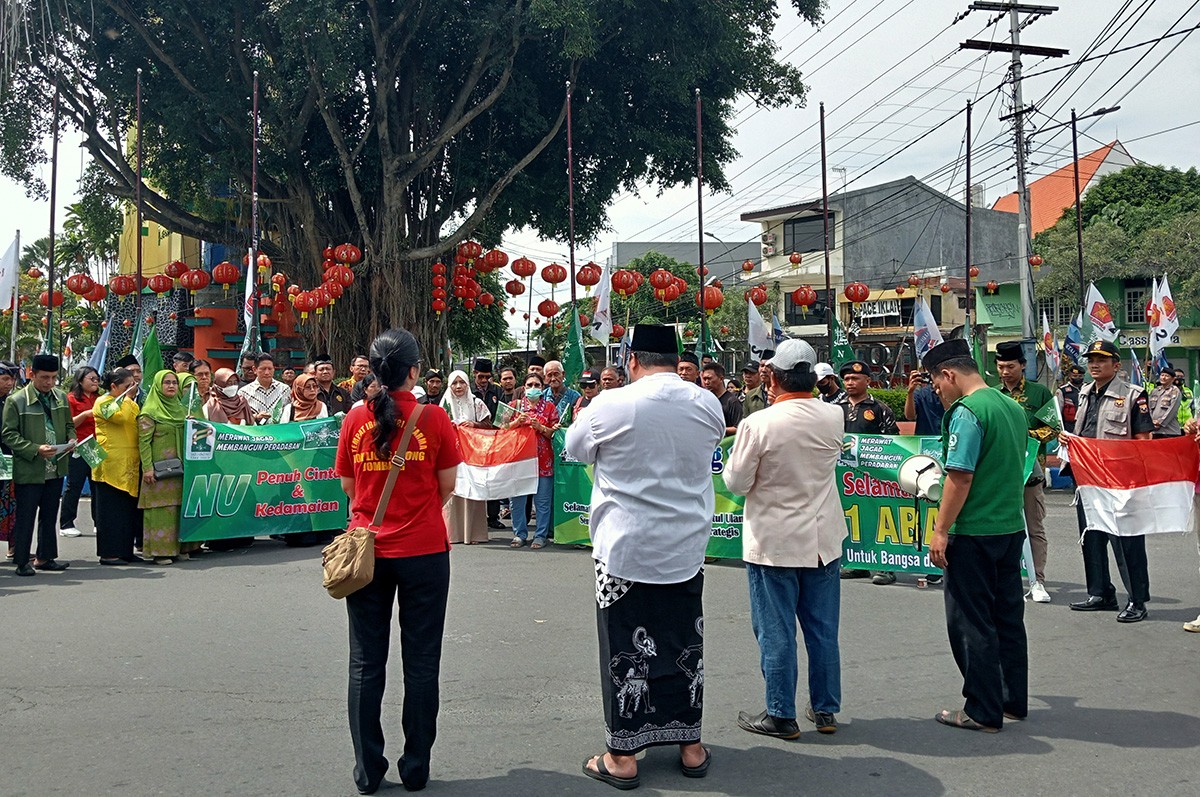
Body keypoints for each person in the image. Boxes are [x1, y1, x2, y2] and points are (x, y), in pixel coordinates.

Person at [565, 324, 724, 790]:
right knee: (683, 645)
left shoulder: (610, 404)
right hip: (685, 549)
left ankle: (623, 756)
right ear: (677, 359)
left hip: (625, 550)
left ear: (632, 359)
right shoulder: (707, 403)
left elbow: (575, 449)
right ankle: (690, 746)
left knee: (623, 647)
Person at [335, 328, 460, 795]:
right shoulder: (435, 418)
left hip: (367, 552)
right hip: (425, 551)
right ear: (413, 371)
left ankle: (368, 771)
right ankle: (416, 767)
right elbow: (447, 486)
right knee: (422, 661)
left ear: (373, 370)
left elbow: (349, 487)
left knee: (365, 663)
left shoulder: (354, 418)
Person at [725, 339, 846, 739]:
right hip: (822, 538)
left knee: (775, 632)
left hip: (774, 542)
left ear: (773, 379)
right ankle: (825, 709)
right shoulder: (833, 416)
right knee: (822, 630)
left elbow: (737, 482)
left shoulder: (758, 423)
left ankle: (781, 713)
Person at [922, 338, 1029, 734]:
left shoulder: (968, 412)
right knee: (1008, 618)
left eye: (937, 384)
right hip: (1009, 527)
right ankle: (1011, 700)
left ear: (949, 374)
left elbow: (960, 476)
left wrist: (940, 530)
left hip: (973, 531)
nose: (938, 393)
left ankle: (983, 710)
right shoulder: (1010, 406)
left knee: (971, 622)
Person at [1064, 340, 1154, 623]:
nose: (1094, 364)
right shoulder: (1084, 393)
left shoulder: (1132, 395)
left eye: (1102, 360)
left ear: (1116, 365)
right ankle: (1100, 592)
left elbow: (1143, 439)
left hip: (1119, 481)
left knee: (1127, 541)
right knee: (1091, 537)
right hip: (1087, 477)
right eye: (1091, 359)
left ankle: (1137, 600)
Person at [2, 353, 76, 575]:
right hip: (30, 468)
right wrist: (35, 449)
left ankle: (46, 557)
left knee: (50, 514)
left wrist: (71, 440)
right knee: (26, 517)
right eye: (44, 377)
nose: (49, 382)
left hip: (55, 467)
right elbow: (9, 435)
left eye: (53, 377)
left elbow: (69, 425)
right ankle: (22, 561)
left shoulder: (61, 397)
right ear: (32, 375)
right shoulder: (17, 400)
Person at [994, 341, 1055, 604]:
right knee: (998, 528)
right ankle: (1002, 579)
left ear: (1023, 365)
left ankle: (1037, 579)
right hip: (998, 476)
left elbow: (1053, 428)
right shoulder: (992, 394)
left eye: (1010, 366)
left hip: (1031, 473)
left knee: (1033, 527)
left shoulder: (1039, 393)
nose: (1005, 372)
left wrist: (1023, 436)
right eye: (1000, 367)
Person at [836, 360, 900, 585]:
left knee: (880, 518)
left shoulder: (880, 409)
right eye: (846, 379)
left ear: (867, 381)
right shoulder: (836, 409)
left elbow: (893, 441)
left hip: (873, 477)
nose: (850, 382)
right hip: (844, 476)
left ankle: (886, 566)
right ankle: (858, 563)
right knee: (852, 518)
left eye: (855, 378)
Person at [138, 370, 196, 565]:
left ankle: (179, 549)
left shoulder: (181, 409)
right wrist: (147, 468)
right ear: (157, 386)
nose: (171, 386)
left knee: (179, 508)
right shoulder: (149, 412)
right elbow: (144, 443)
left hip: (181, 469)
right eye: (167, 382)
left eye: (174, 382)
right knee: (160, 510)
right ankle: (160, 552)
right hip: (159, 470)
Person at [92, 368, 142, 564]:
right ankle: (109, 553)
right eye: (127, 386)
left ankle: (125, 551)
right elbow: (119, 417)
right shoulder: (103, 402)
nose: (132, 388)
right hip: (109, 464)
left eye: (133, 385)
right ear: (113, 386)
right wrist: (128, 398)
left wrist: (128, 399)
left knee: (127, 511)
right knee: (110, 511)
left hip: (129, 463)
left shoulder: (130, 403)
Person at [507, 372, 559, 549]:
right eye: (529, 385)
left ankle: (540, 535)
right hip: (519, 460)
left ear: (543, 388)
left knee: (542, 502)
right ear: (524, 388)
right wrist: (516, 423)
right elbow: (500, 428)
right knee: (517, 501)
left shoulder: (550, 408)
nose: (533, 388)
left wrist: (541, 427)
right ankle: (519, 534)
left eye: (537, 385)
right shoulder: (514, 406)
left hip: (543, 461)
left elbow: (554, 433)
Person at [440, 370, 491, 545]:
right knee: (453, 492)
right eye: (454, 383)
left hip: (473, 457)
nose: (458, 386)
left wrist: (473, 424)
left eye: (462, 382)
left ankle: (474, 534)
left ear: (468, 384)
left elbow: (489, 425)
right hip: (451, 457)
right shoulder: (443, 405)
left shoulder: (477, 403)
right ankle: (452, 534)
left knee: (473, 491)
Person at [59, 365, 100, 538]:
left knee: (97, 485)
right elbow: (68, 424)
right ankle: (66, 523)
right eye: (91, 379)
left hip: (95, 446)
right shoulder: (71, 399)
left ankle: (99, 522)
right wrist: (85, 415)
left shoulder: (100, 398)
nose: (95, 382)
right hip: (78, 446)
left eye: (97, 379)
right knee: (74, 485)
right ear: (80, 380)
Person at [471, 359, 505, 529]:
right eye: (481, 377)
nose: (484, 380)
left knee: (493, 479)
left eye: (487, 377)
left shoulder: (497, 390)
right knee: (474, 480)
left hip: (494, 441)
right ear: (474, 374)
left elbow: (503, 415)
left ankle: (493, 517)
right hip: (472, 442)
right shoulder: (468, 390)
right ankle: (474, 519)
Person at [0, 361, 19, 559]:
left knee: (12, 503)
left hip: (8, 460)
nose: (9, 383)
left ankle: (14, 547)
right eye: (5, 379)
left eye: (11, 379)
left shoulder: (11, 402)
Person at [239, 352, 290, 422]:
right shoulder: (244, 392)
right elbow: (239, 417)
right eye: (263, 369)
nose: (267, 373)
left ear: (274, 369)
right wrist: (256, 417)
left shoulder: (285, 389)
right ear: (255, 369)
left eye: (270, 369)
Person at [701, 362, 743, 435]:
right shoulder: (704, 400)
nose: (706, 382)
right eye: (704, 379)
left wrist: (718, 430)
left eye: (709, 378)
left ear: (721, 379)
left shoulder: (732, 401)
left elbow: (739, 428)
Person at [904, 368, 945, 435]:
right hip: (924, 437)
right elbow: (909, 416)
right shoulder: (920, 393)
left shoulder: (949, 391)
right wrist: (910, 392)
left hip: (946, 437)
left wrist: (940, 393)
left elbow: (951, 412)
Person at [1148, 366, 1182, 437]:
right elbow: (1149, 408)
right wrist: (1151, 422)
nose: (1163, 377)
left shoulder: (1175, 391)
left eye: (1167, 376)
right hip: (1154, 430)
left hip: (1170, 431)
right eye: (1162, 375)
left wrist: (1160, 422)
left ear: (1173, 379)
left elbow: (1172, 410)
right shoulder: (1155, 391)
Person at [1057, 364, 1085, 429]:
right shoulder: (1062, 391)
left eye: (1080, 376)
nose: (1078, 378)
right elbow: (1058, 411)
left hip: (1084, 426)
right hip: (1069, 426)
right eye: (1075, 376)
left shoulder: (1088, 389)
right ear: (1069, 377)